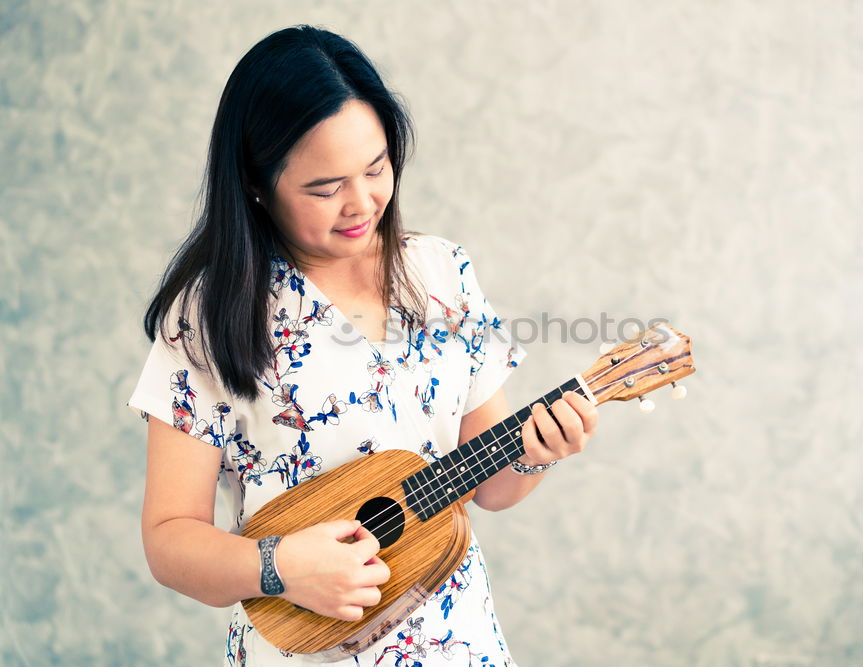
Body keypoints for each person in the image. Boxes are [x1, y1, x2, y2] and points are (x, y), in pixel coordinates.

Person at [128, 24, 598, 666]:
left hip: (455, 643)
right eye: (324, 188)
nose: (360, 202)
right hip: (299, 651)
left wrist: (542, 451)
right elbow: (169, 541)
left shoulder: (441, 275)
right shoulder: (213, 315)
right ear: (257, 185)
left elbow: (488, 486)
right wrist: (280, 567)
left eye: (376, 169)